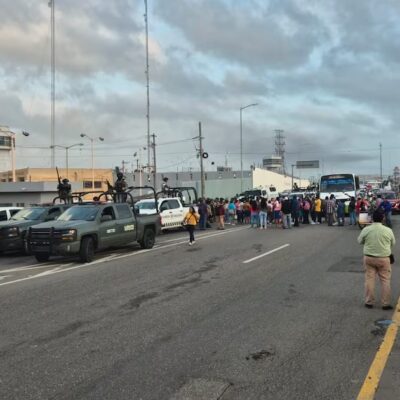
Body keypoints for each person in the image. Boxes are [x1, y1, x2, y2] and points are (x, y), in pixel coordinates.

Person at [357, 210, 395, 309]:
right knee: (385, 280)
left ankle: (369, 302)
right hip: (384, 258)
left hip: (369, 258)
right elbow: (393, 243)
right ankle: (385, 303)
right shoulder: (388, 230)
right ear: (383, 218)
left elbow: (359, 241)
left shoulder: (366, 229)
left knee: (369, 279)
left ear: (372, 219)